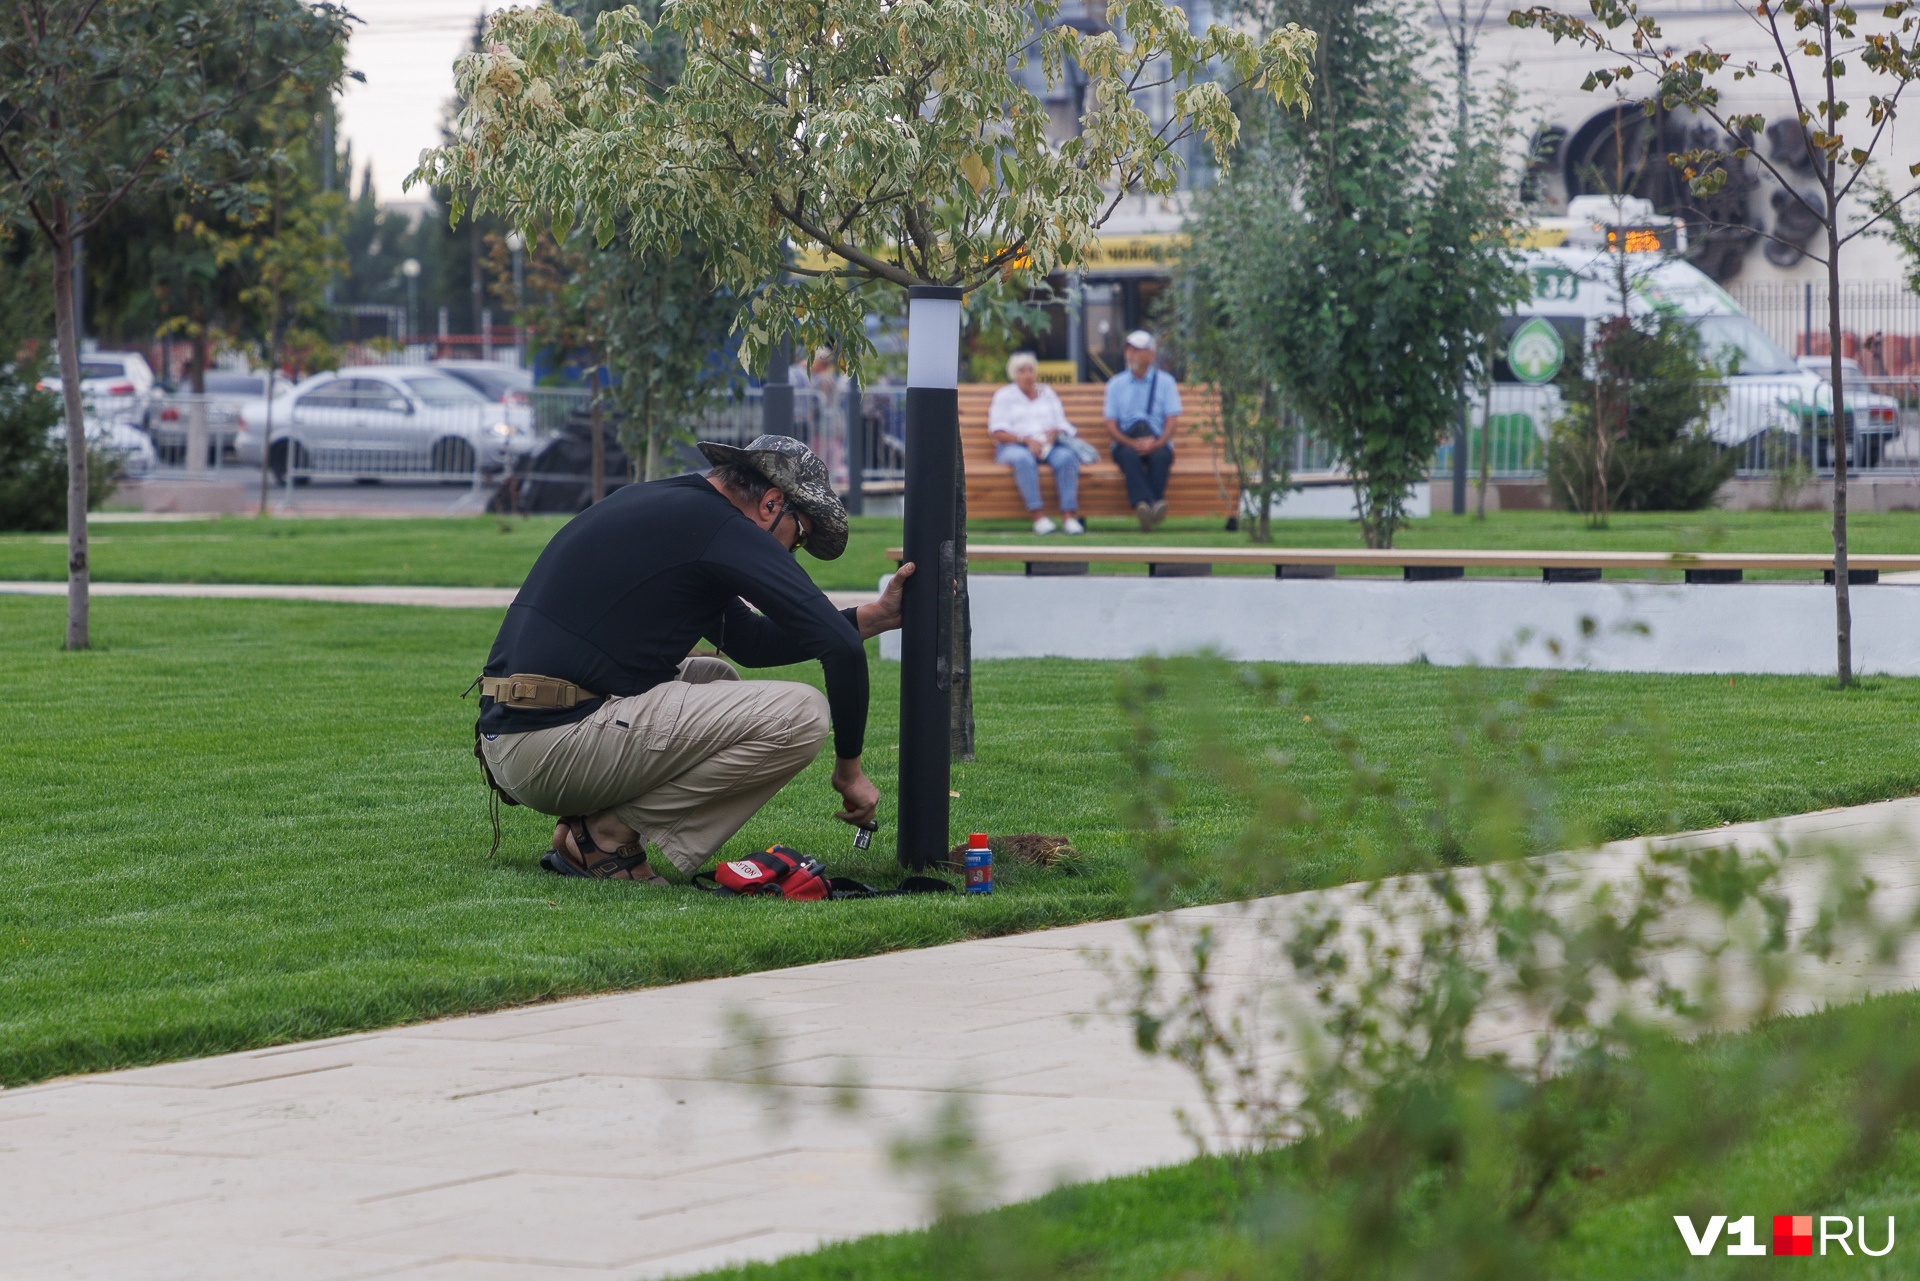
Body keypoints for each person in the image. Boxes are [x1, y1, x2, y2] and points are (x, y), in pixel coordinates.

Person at [474, 435, 915, 883]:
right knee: (802, 714)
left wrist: (874, 617)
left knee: (712, 674)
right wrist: (850, 771)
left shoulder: (674, 508)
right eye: (798, 535)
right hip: (548, 746)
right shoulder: (719, 527)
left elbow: (751, 643)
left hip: (518, 736)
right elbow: (837, 648)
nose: (789, 552)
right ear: (770, 504)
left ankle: (586, 832)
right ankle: (607, 836)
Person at [988, 351, 1084, 535]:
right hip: (1014, 446)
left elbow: (1063, 423)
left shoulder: (1047, 393)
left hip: (1048, 446)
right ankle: (1038, 517)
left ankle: (1068, 517)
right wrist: (1025, 440)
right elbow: (997, 430)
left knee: (1066, 457)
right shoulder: (1004, 395)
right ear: (1014, 374)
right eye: (1022, 370)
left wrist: (1055, 431)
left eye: (1031, 370)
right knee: (1024, 459)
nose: (1027, 375)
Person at [1104, 329, 1184, 532]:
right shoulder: (1115, 384)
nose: (1131, 354)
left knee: (1161, 457)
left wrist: (1157, 443)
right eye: (1128, 350)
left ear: (1151, 355)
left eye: (1137, 350)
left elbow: (1172, 420)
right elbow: (1111, 425)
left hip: (1157, 439)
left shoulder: (1166, 382)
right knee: (1128, 457)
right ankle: (1152, 504)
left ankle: (1144, 508)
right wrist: (1130, 442)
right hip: (1125, 441)